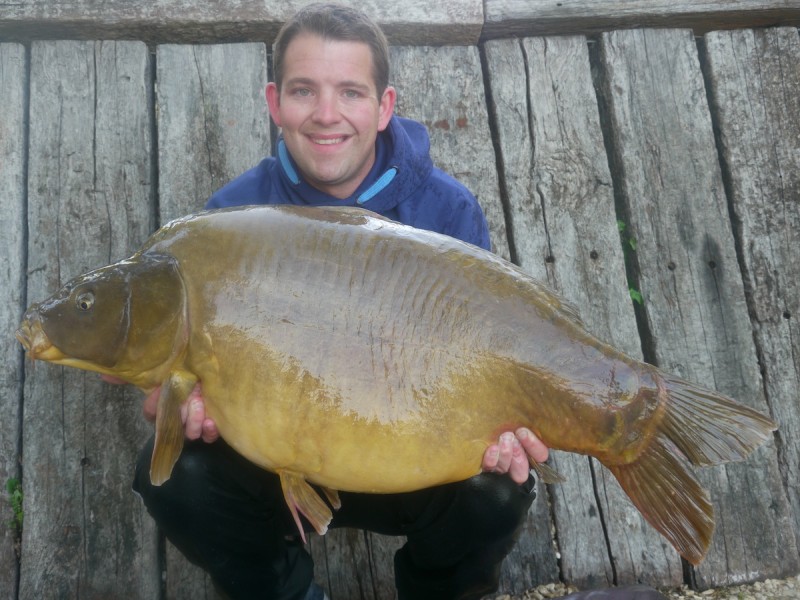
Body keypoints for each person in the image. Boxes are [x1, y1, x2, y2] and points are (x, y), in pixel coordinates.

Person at [126, 4, 664, 600]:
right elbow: (188, 384)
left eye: (351, 93)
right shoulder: (231, 219)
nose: (327, 114)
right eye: (305, 91)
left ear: (384, 107)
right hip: (275, 465)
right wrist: (182, 408)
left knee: (502, 485)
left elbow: (492, 352)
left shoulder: (448, 209)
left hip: (414, 459)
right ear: (275, 102)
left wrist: (510, 427)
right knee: (172, 470)